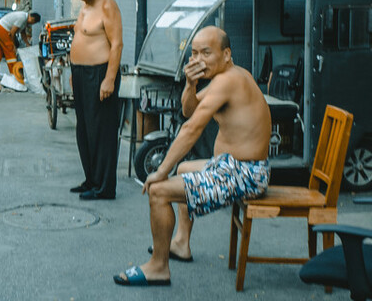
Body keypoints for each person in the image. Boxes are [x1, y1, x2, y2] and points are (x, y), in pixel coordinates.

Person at [113, 26, 271, 287]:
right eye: (194, 53)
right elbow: (189, 110)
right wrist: (190, 83)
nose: (198, 60)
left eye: (207, 53)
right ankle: (181, 243)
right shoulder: (227, 76)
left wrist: (161, 171)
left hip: (244, 174)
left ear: (227, 53)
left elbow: (191, 128)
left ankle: (158, 267)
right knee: (186, 168)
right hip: (237, 167)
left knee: (159, 191)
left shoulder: (229, 80)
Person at [68, 0, 123, 200]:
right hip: (81, 74)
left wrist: (109, 79)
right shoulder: (84, 7)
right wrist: (74, 73)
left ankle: (104, 187)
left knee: (102, 131)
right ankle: (91, 179)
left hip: (99, 74)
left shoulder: (107, 6)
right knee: (84, 130)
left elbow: (117, 44)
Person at [0, 10, 41, 83]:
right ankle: (15, 76)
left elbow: (23, 33)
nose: (31, 24)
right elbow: (12, 32)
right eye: (33, 23)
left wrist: (27, 44)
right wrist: (13, 45)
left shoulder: (24, 19)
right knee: (11, 53)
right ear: (32, 19)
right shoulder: (22, 18)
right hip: (3, 30)